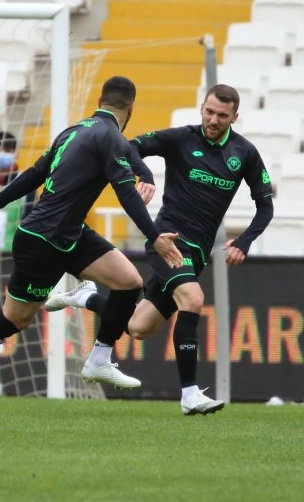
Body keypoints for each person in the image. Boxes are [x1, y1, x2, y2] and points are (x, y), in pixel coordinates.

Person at [0, 76, 183, 407]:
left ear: (101, 99)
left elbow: (35, 173)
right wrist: (154, 236)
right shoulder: (110, 138)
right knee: (14, 319)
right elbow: (124, 193)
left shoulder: (73, 132)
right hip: (42, 240)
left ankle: (99, 360)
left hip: (70, 233)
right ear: (132, 107)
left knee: (129, 281)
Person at [46, 84, 274, 415]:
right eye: (209, 111)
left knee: (138, 328)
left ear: (234, 117)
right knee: (193, 299)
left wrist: (244, 240)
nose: (213, 119)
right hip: (167, 241)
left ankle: (86, 297)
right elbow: (128, 144)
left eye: (222, 115)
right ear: (201, 108)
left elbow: (265, 206)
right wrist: (143, 172)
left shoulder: (245, 153)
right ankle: (190, 394)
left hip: (197, 253)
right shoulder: (181, 138)